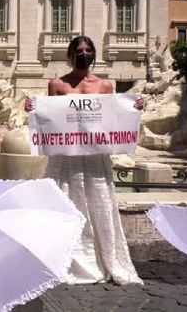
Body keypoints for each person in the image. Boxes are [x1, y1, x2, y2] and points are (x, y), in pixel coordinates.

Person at [25, 35, 143, 285]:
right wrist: (32, 109)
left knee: (99, 204)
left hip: (94, 156)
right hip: (65, 156)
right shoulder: (56, 84)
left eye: (88, 49)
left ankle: (103, 259)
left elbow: (114, 118)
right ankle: (62, 259)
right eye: (79, 50)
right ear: (70, 54)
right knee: (64, 203)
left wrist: (134, 107)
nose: (84, 53)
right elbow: (49, 119)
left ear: (94, 53)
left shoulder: (106, 86)